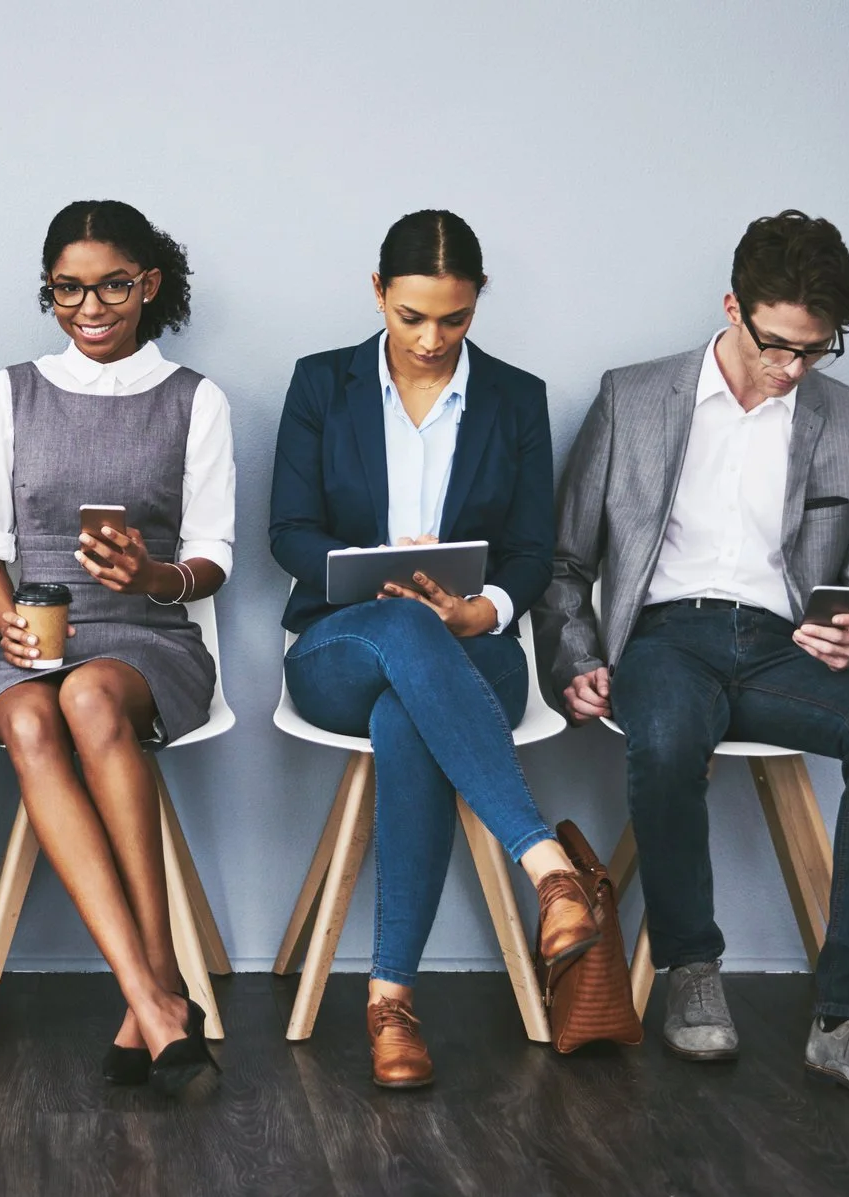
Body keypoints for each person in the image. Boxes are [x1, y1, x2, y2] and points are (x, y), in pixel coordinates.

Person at [540, 211, 849, 1110]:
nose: (792, 367)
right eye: (776, 345)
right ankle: (691, 965)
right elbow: (565, 563)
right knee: (672, 727)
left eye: (814, 351)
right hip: (662, 637)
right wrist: (572, 655)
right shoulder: (633, 397)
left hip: (779, 647)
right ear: (732, 306)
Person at [269, 209, 599, 1089]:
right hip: (337, 643)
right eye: (411, 315)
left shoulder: (516, 398)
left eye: (453, 318)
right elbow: (288, 531)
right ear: (377, 292)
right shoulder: (319, 385)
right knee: (400, 639)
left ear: (478, 302)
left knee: (408, 709)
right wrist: (365, 580)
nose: (430, 337)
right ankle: (548, 867)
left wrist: (482, 609)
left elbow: (533, 551)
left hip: (473, 650)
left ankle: (390, 1002)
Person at [0, 200, 231, 1096]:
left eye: (112, 284)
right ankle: (156, 998)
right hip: (27, 632)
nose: (90, 306)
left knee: (86, 698)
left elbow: (213, 560)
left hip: (147, 635)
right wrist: (8, 624)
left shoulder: (196, 399)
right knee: (36, 719)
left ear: (148, 284)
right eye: (67, 289)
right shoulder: (13, 390)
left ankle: (150, 992)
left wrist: (152, 575)